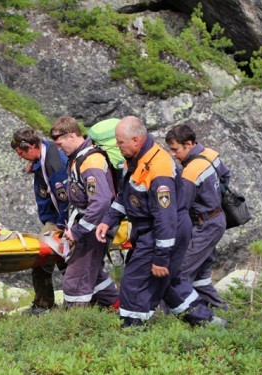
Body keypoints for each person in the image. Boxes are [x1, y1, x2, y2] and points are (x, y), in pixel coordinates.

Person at [96, 116, 225, 327]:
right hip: (152, 228)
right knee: (169, 282)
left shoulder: (158, 168)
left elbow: (166, 219)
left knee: (134, 280)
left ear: (136, 140)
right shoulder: (136, 160)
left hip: (163, 231)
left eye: (120, 142)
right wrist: (107, 220)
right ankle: (207, 321)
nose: (117, 147)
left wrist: (161, 257)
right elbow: (125, 196)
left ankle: (133, 329)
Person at [49, 116, 119, 309]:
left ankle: (74, 325)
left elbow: (101, 200)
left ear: (71, 135)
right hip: (88, 224)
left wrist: (79, 230)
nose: (59, 149)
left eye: (60, 144)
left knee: (75, 279)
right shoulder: (76, 159)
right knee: (93, 273)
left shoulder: (91, 161)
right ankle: (118, 306)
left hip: (94, 228)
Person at [165, 124, 229, 309]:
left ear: (189, 144)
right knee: (201, 274)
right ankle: (221, 309)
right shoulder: (211, 154)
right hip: (217, 218)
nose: (174, 154)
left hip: (204, 225)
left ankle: (179, 315)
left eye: (176, 149)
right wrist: (214, 196)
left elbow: (182, 205)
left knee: (180, 271)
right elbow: (226, 175)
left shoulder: (191, 172)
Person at [10, 127, 69, 315]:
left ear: (32, 146)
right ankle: (47, 302)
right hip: (53, 217)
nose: (21, 157)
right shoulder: (42, 153)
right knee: (51, 258)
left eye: (22, 153)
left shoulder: (53, 163)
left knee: (45, 257)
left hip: (61, 218)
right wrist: (34, 165)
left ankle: (46, 304)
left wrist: (62, 225)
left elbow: (64, 198)